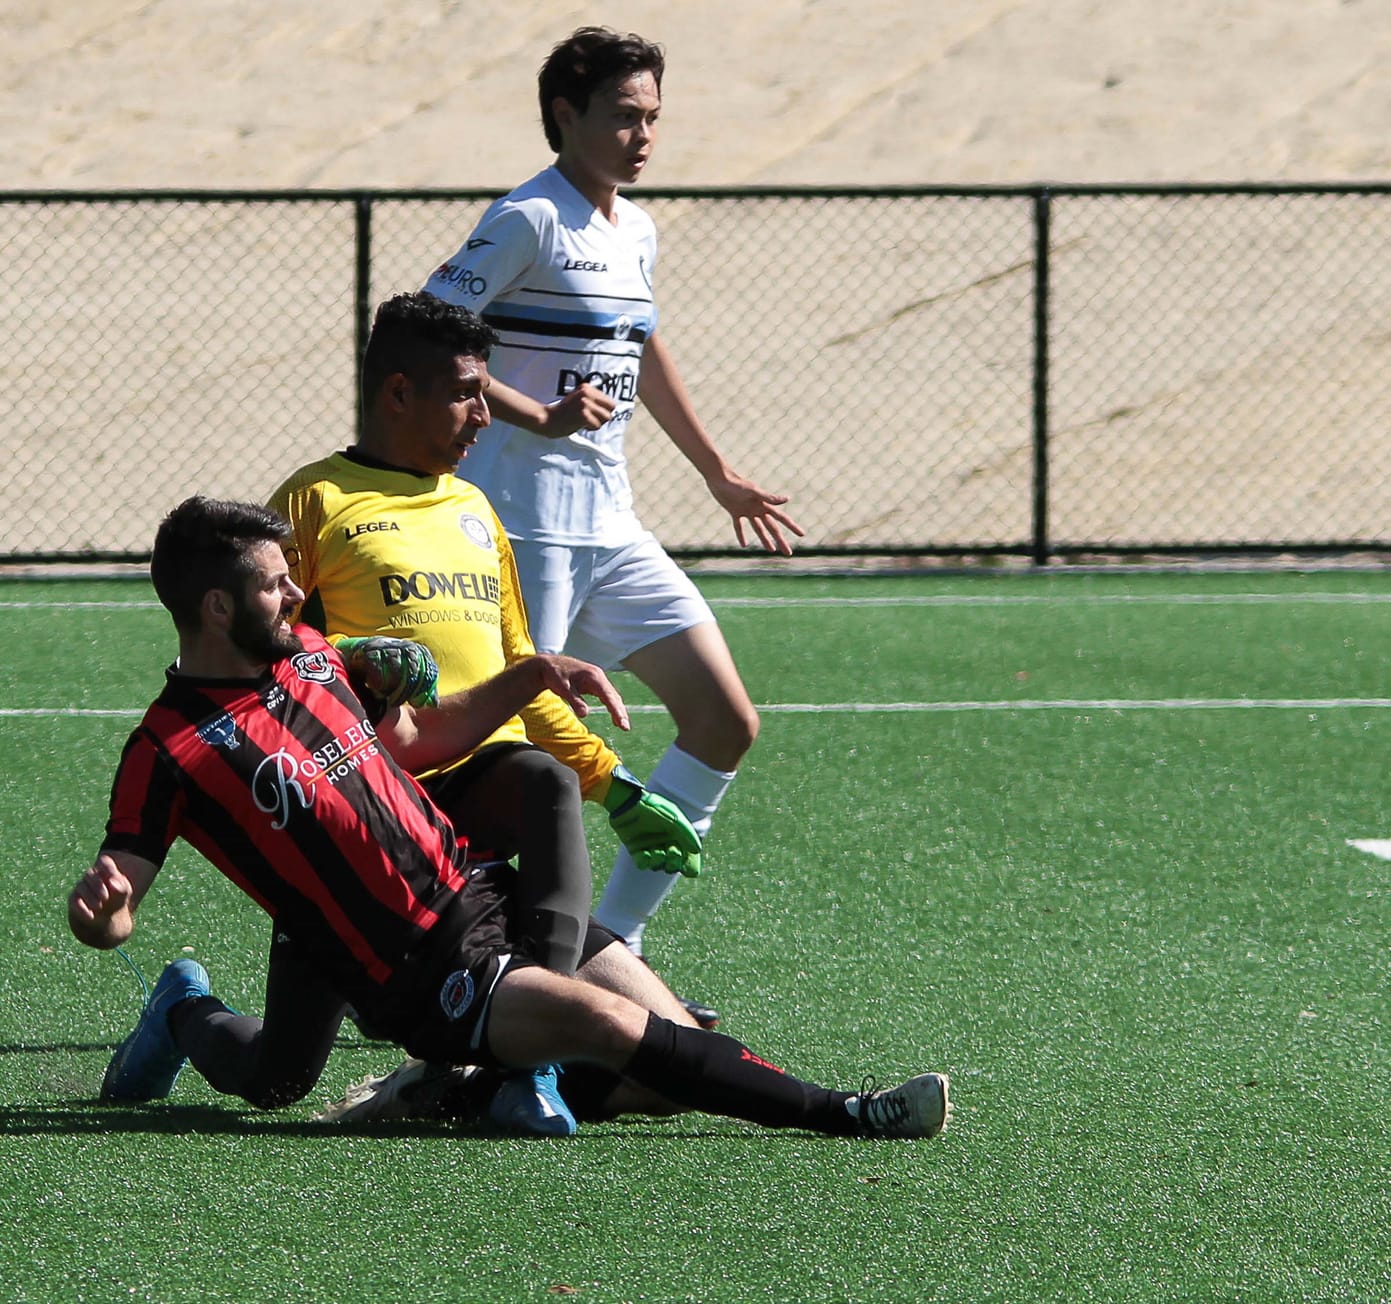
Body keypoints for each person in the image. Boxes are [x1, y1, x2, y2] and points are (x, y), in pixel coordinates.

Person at [68, 497, 948, 1140]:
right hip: (418, 970)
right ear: (217, 608)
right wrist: (105, 913)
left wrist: (528, 678)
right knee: (611, 1033)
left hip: (484, 893)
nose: (296, 594)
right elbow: (119, 902)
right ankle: (854, 1113)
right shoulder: (168, 749)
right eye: (274, 584)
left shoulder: (309, 655)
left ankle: (462, 1091)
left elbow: (414, 739)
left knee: (668, 1059)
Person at [422, 26, 804, 965]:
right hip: (517, 532)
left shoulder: (633, 227)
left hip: (611, 528)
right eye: (625, 116)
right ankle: (407, 954)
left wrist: (716, 471)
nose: (644, 136)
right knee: (512, 768)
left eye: (654, 118)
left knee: (723, 721)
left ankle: (612, 949)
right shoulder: (528, 218)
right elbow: (430, 332)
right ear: (566, 114)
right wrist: (534, 415)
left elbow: (640, 344)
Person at [268, 289, 716, 1027]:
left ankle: (531, 1030)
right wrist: (351, 653)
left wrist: (612, 784)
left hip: (480, 787)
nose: (484, 415)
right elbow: (262, 649)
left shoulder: (475, 510)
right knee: (278, 1074)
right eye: (467, 396)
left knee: (541, 782)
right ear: (401, 393)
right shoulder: (314, 499)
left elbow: (520, 675)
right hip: (371, 796)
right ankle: (184, 1012)